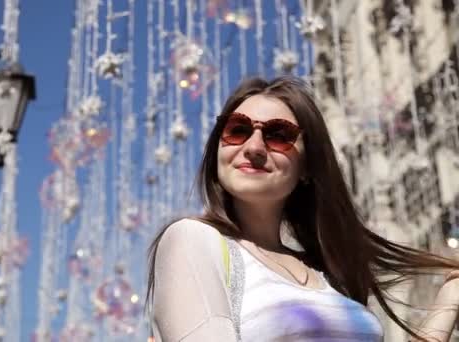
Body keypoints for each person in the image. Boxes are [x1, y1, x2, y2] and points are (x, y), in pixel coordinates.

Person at [146, 76, 459, 342]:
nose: (253, 147)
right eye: (237, 130)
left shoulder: (325, 274)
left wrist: (450, 300)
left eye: (278, 135)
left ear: (308, 165)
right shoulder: (192, 239)